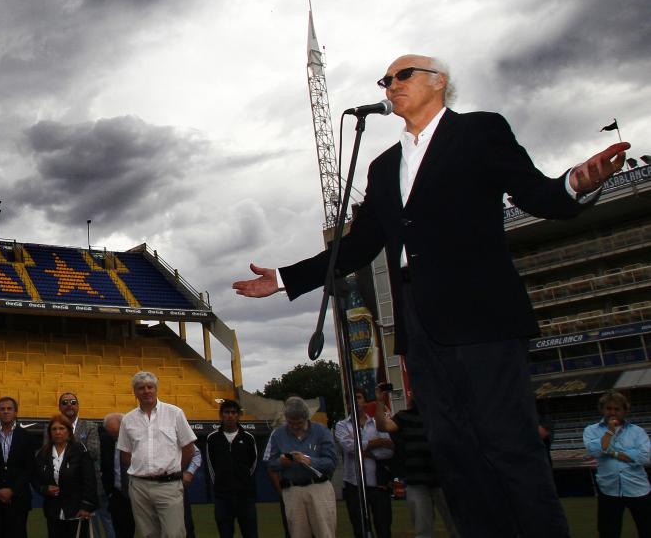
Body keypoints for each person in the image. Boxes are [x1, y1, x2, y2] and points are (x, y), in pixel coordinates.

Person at [234, 54, 630, 538]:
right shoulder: (383, 167)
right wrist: (284, 278)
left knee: (509, 444)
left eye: (403, 75)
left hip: (483, 315)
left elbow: (534, 193)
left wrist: (574, 184)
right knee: (455, 454)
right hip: (420, 325)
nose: (391, 84)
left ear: (438, 82)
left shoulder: (479, 131)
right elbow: (358, 245)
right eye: (386, 79)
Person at [116, 371, 196, 538]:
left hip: (169, 485)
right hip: (139, 486)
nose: (146, 391)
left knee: (174, 534)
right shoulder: (128, 419)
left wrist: (175, 470)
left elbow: (189, 448)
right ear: (135, 392)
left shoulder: (175, 413)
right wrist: (143, 469)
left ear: (156, 389)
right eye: (141, 388)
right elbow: (125, 454)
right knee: (147, 534)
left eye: (150, 387)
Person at [375, 391, 458, 538]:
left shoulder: (437, 414)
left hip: (443, 480)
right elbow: (383, 426)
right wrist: (380, 402)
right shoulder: (404, 416)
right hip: (416, 482)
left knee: (456, 527)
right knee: (423, 531)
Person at [263, 397, 337, 538]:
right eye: (291, 423)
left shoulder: (321, 431)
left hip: (318, 488)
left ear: (306, 417)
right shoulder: (278, 434)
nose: (295, 426)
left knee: (324, 532)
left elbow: (331, 462)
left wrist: (309, 460)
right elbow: (271, 464)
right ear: (286, 418)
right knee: (297, 533)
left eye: (299, 423)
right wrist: (282, 462)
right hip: (293, 490)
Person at [583, 391, 651, 537]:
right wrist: (610, 431)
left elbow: (645, 457)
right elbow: (596, 450)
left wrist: (612, 452)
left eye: (617, 409)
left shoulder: (637, 432)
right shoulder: (590, 430)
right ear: (602, 409)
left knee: (647, 529)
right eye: (608, 408)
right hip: (609, 489)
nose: (612, 412)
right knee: (608, 532)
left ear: (625, 411)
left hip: (638, 488)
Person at [335, 391, 393, 538]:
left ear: (366, 402)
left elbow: (389, 451)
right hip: (354, 484)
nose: (354, 401)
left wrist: (365, 450)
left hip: (378, 483)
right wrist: (378, 442)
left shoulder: (377, 424)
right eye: (350, 400)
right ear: (347, 405)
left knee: (384, 526)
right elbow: (349, 447)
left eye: (358, 398)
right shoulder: (342, 425)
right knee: (359, 528)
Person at [0, 397, 36, 538]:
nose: (6, 412)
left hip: (18, 499)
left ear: (16, 412)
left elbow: (29, 468)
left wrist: (12, 490)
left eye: (9, 409)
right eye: (2, 409)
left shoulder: (26, 436)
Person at [32, 413, 98, 538]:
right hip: (53, 510)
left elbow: (89, 479)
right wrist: (44, 489)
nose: (58, 432)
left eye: (61, 428)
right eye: (54, 429)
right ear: (50, 432)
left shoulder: (80, 450)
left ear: (68, 431)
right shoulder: (43, 453)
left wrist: (87, 506)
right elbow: (35, 477)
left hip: (77, 509)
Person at [204, 400, 258, 538]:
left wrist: (243, 480)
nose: (230, 416)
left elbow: (253, 463)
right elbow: (211, 465)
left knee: (250, 533)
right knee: (225, 533)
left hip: (245, 495)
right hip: (223, 496)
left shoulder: (248, 438)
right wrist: (221, 483)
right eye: (227, 412)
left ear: (239, 415)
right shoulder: (212, 438)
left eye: (233, 412)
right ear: (221, 415)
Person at [99, 413, 133, 538]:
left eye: (117, 433)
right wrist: (110, 492)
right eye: (112, 434)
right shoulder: (106, 440)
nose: (116, 437)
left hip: (137, 490)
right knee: (120, 529)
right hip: (117, 493)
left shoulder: (136, 438)